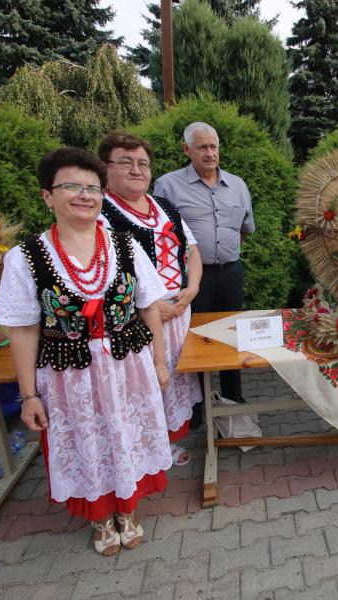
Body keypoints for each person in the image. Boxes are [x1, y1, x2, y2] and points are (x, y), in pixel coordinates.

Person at [0, 148, 172, 555]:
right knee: (87, 441)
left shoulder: (126, 246)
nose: (84, 195)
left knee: (127, 433)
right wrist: (28, 395)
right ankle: (100, 517)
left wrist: (160, 363)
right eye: (71, 186)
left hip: (128, 366)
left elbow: (149, 307)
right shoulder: (25, 258)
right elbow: (22, 331)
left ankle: (127, 508)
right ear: (47, 196)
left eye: (92, 188)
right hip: (70, 374)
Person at [97, 131, 203, 466]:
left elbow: (192, 251)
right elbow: (99, 274)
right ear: (105, 169)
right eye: (125, 162)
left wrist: (192, 288)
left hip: (180, 309)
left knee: (175, 376)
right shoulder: (99, 213)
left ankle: (170, 438)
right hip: (137, 317)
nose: (136, 170)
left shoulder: (164, 206)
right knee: (144, 381)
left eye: (143, 163)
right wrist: (151, 306)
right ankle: (146, 448)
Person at [154, 122, 255, 405]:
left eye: (213, 146)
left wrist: (221, 250)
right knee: (192, 339)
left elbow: (244, 229)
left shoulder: (237, 185)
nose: (209, 153)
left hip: (230, 273)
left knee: (232, 335)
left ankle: (233, 398)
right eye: (202, 147)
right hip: (191, 280)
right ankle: (198, 404)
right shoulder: (168, 185)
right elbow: (160, 237)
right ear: (186, 149)